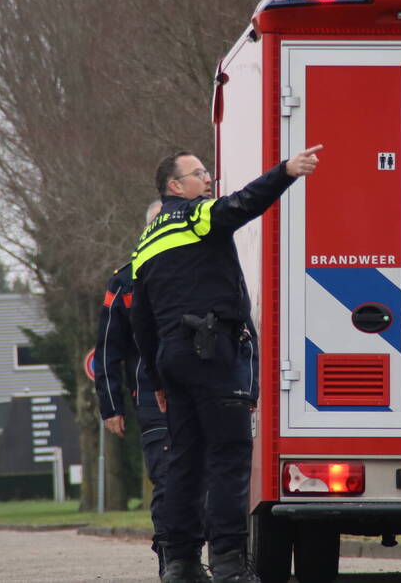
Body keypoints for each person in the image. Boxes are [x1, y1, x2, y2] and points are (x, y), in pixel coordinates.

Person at [130, 146, 322, 583]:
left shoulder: (146, 240)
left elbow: (140, 320)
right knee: (228, 459)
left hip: (172, 359)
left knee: (183, 462)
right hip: (213, 351)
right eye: (199, 174)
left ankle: (178, 564)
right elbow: (243, 204)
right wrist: (286, 171)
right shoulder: (195, 215)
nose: (209, 179)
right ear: (175, 187)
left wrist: (156, 377)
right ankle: (230, 564)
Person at [94, 200, 169, 577]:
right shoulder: (124, 281)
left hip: (206, 394)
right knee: (169, 479)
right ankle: (174, 561)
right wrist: (111, 406)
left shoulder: (205, 272)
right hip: (152, 400)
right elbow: (108, 349)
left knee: (213, 479)